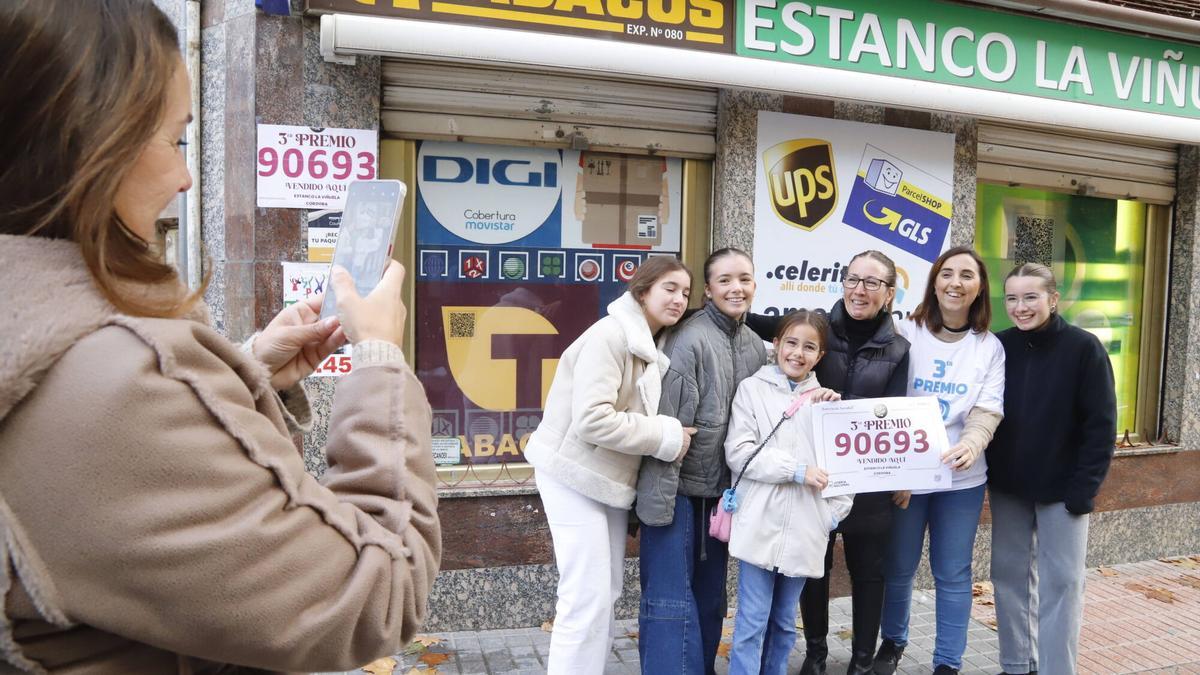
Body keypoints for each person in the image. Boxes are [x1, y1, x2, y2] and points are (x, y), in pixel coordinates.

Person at [0, 1, 441, 672]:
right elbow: (376, 594)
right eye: (176, 140)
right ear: (92, 143)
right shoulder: (116, 383)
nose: (184, 177)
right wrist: (379, 360)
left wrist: (246, 373)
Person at [523, 256, 696, 674]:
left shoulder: (648, 343)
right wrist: (667, 436)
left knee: (606, 590)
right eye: (669, 288)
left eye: (686, 292)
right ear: (642, 291)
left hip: (607, 480)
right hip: (571, 472)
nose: (678, 299)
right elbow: (592, 419)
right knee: (585, 593)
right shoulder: (612, 335)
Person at [745, 250, 911, 675]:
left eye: (872, 283)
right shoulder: (818, 327)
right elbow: (765, 324)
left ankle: (859, 661)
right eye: (853, 279)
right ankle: (816, 654)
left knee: (869, 571)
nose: (860, 289)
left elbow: (894, 413)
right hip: (814, 473)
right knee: (814, 566)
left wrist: (904, 474)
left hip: (866, 476)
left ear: (889, 293)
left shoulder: (899, 348)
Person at [635, 248, 768, 674]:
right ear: (708, 290)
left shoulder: (752, 344)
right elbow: (668, 431)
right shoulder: (689, 338)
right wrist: (657, 506)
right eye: (725, 280)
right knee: (671, 604)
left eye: (744, 279)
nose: (736, 288)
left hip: (721, 498)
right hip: (678, 496)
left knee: (710, 602)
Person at [875, 246, 1006, 675]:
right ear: (933, 281)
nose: (955, 282)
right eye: (947, 273)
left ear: (980, 287)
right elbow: (889, 401)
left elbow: (987, 410)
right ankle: (892, 642)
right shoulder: (907, 331)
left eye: (967, 275)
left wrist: (974, 443)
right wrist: (900, 468)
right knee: (898, 566)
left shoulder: (989, 347)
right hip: (908, 477)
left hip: (961, 481)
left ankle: (947, 661)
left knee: (952, 572)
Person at [986, 263, 1116, 675]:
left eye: (1030, 297)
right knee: (1008, 580)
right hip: (1009, 486)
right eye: (1012, 298)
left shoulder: (1084, 348)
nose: (1020, 307)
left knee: (1063, 585)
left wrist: (1085, 488)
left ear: (1053, 299)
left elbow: (1101, 425)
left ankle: (1057, 669)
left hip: (1064, 490)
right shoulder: (998, 346)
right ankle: (1016, 665)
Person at [723, 310, 853, 675]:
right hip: (759, 524)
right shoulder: (752, 389)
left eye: (809, 347)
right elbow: (739, 453)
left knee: (783, 622)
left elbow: (847, 473)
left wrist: (830, 516)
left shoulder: (828, 403)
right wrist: (795, 471)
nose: (798, 353)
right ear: (776, 344)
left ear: (820, 356)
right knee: (751, 621)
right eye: (791, 343)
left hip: (806, 529)